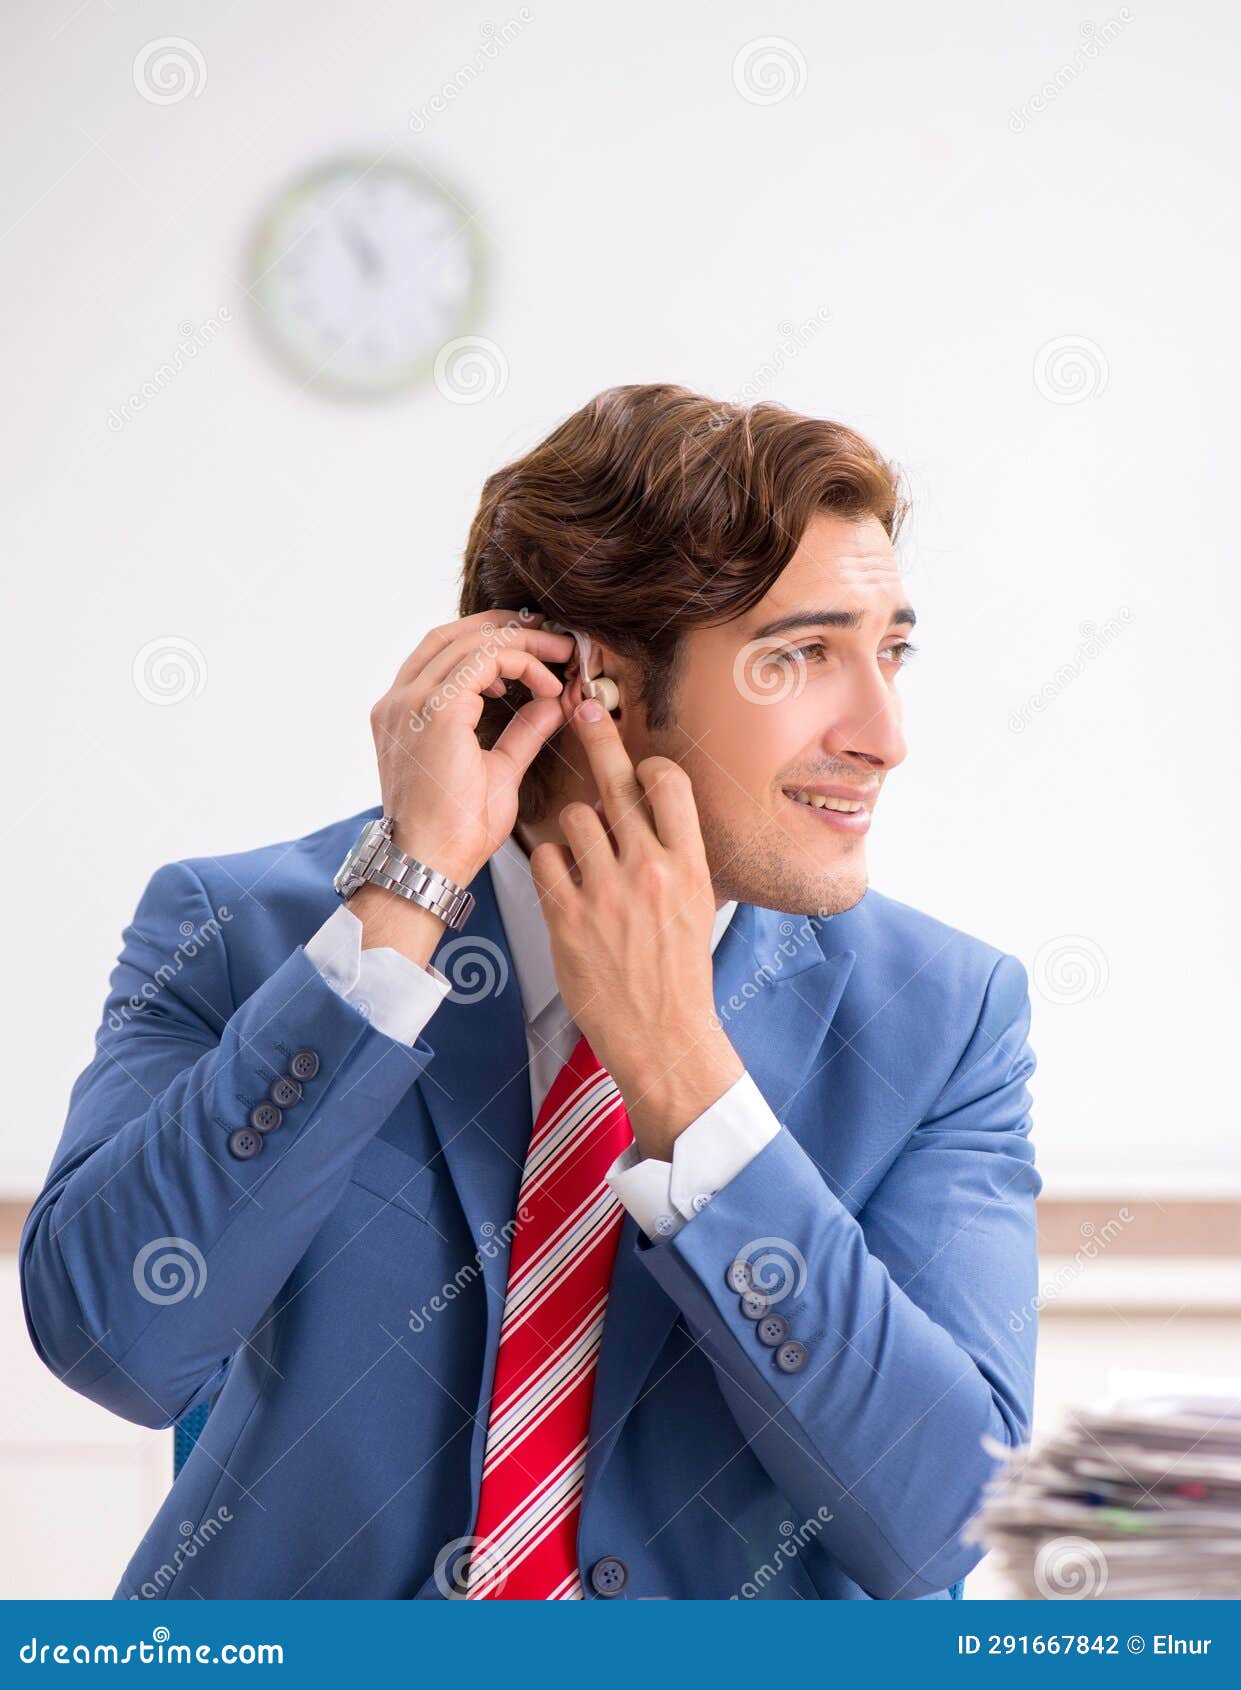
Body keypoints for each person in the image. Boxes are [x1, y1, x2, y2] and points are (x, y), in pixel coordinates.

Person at [20, 384, 1039, 1600]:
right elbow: (114, 1347)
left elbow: (939, 1524)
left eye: (890, 653)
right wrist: (401, 903)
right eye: (803, 655)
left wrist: (684, 1077)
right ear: (595, 680)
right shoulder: (241, 931)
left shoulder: (945, 1017)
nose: (884, 732)